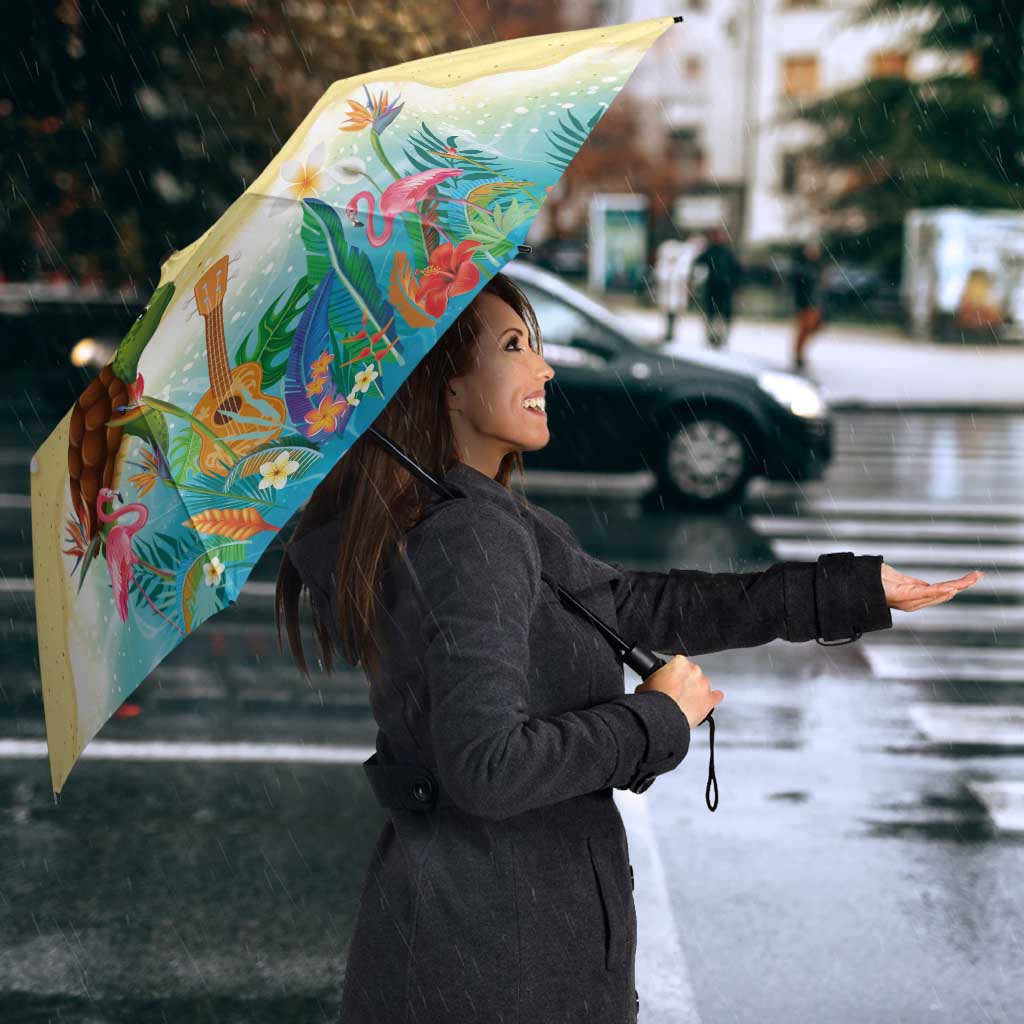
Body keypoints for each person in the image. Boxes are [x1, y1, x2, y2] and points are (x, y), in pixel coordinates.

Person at [276, 272, 914, 1024]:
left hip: (479, 941)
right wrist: (654, 719)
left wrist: (849, 591)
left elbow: (641, 605)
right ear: (445, 386)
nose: (544, 368)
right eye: (515, 346)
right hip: (499, 963)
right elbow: (487, 767)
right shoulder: (470, 537)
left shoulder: (475, 518)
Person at [692, 226, 742, 349]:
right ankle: (713, 337)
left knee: (720, 315)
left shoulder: (725, 252)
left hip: (723, 288)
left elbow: (736, 270)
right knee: (713, 314)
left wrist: (735, 284)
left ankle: (719, 337)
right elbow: (698, 264)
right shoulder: (712, 251)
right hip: (715, 288)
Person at [790, 240, 826, 371]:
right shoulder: (802, 267)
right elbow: (799, 286)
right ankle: (798, 355)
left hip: (814, 303)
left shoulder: (817, 266)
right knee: (804, 329)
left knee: (813, 328)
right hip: (805, 303)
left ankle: (800, 354)